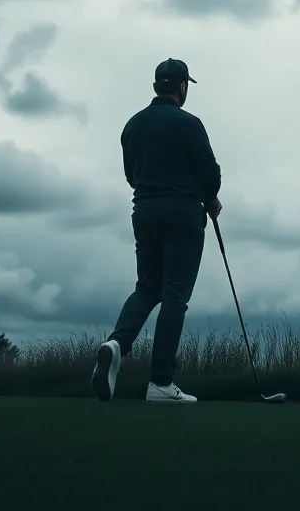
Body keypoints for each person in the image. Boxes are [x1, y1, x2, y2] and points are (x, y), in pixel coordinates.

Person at [91, 58, 222, 404]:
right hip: (182, 213)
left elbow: (131, 174)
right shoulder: (190, 124)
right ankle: (160, 383)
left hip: (145, 211)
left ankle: (116, 343)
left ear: (155, 87)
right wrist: (210, 198)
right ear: (182, 87)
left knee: (148, 287)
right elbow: (210, 174)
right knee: (175, 295)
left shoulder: (132, 125)